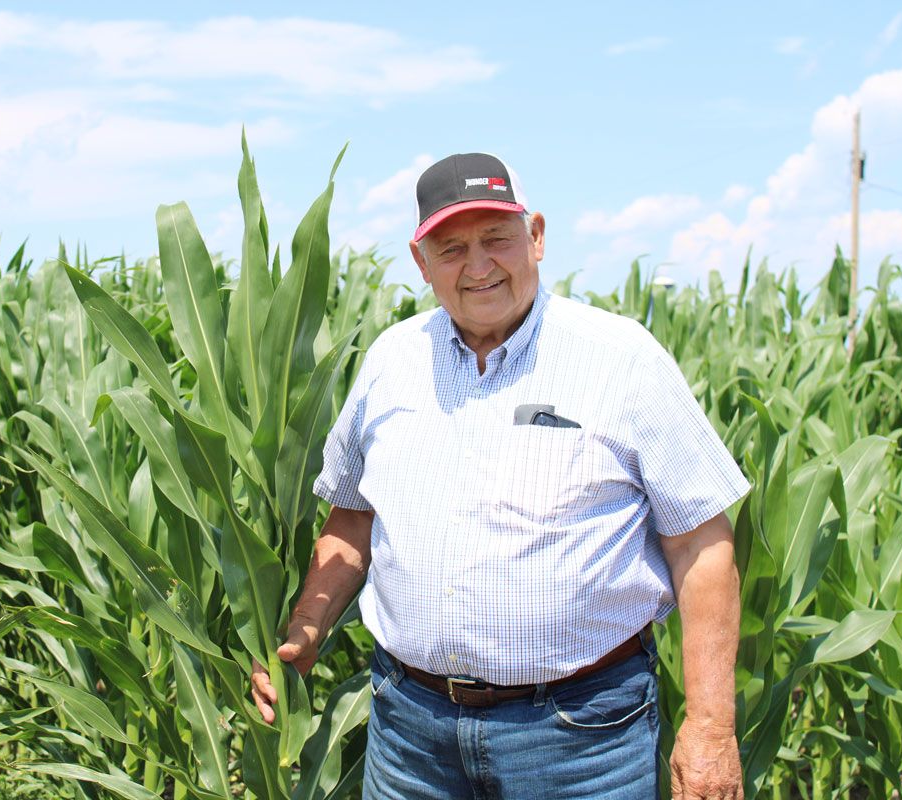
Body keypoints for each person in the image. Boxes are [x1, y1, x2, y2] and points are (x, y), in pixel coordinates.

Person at [252, 152, 749, 799]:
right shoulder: (390, 364)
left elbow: (700, 546)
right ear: (420, 262)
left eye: (496, 239)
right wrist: (306, 627)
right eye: (452, 248)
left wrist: (711, 728)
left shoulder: (620, 360)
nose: (478, 265)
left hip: (580, 740)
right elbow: (352, 519)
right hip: (411, 733)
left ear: (535, 236)